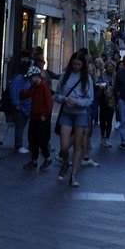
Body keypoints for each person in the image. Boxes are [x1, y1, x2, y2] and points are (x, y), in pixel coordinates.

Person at [54, 53, 94, 187]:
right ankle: (65, 163)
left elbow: (90, 99)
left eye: (79, 64)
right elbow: (57, 94)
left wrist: (77, 102)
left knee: (78, 145)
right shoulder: (64, 76)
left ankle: (74, 174)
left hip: (80, 113)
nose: (76, 67)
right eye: (74, 64)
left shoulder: (87, 79)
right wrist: (64, 99)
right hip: (66, 112)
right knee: (64, 146)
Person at [20, 66, 53, 171]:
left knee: (42, 140)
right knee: (32, 138)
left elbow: (49, 103)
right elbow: (28, 94)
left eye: (31, 77)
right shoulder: (33, 87)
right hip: (34, 116)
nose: (30, 80)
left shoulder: (43, 87)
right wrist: (23, 93)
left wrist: (45, 115)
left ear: (37, 76)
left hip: (42, 118)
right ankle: (34, 160)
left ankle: (47, 158)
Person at [8, 59, 32, 154]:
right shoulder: (19, 78)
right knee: (20, 126)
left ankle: (19, 145)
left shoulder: (24, 78)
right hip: (21, 106)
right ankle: (18, 145)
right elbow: (14, 91)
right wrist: (16, 103)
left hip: (25, 106)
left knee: (21, 125)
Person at [97, 60, 116, 148]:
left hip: (112, 100)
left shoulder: (115, 76)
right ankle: (102, 136)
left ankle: (107, 138)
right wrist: (100, 86)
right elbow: (97, 84)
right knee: (102, 119)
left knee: (109, 120)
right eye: (108, 66)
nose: (110, 68)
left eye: (111, 66)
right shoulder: (101, 76)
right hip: (103, 99)